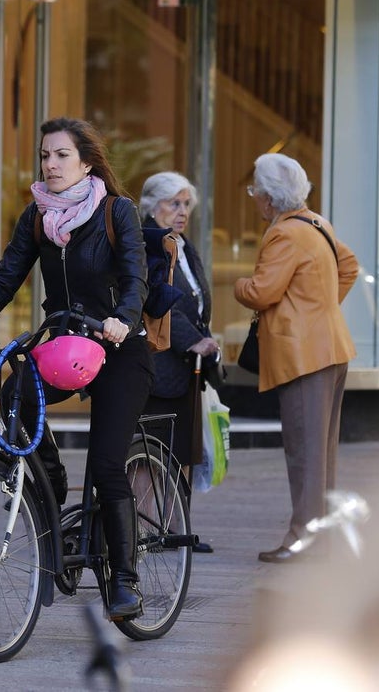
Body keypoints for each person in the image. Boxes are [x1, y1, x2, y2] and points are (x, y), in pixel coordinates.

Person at [0, 117, 154, 620]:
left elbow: (135, 279)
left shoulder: (116, 212)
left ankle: (124, 581)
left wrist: (123, 319)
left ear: (86, 161)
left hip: (120, 351)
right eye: (44, 156)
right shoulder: (37, 218)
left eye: (61, 155)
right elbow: (6, 277)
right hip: (67, 350)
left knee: (106, 465)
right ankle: (51, 480)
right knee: (15, 392)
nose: (50, 164)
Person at [235, 153, 359, 564]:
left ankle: (303, 539)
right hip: (332, 347)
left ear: (270, 199)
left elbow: (262, 292)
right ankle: (320, 537)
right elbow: (349, 267)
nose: (255, 200)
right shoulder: (317, 223)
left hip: (303, 354)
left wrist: (239, 286)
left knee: (304, 452)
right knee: (322, 453)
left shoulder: (284, 234)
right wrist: (320, 307)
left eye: (256, 192)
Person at [138, 171, 221, 554]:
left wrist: (203, 339)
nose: (183, 211)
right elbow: (157, 299)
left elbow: (195, 301)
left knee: (182, 453)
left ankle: (176, 529)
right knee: (146, 456)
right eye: (174, 203)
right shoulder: (146, 243)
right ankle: (139, 530)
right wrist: (196, 341)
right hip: (157, 364)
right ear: (153, 206)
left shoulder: (183, 245)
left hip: (188, 368)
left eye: (187, 204)